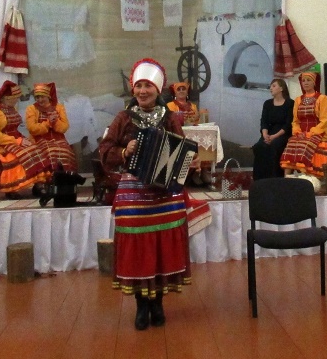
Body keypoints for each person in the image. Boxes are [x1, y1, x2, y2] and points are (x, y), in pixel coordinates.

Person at [99, 58, 201, 330]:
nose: (143, 91)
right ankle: (141, 305)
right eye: (139, 86)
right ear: (133, 89)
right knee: (138, 247)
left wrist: (186, 164)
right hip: (133, 192)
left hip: (164, 195)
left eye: (148, 86)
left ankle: (158, 303)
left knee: (161, 246)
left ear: (158, 90)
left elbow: (182, 151)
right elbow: (105, 151)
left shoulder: (170, 118)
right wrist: (125, 151)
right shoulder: (123, 118)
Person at [0, 80, 53, 198]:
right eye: (15, 98)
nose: (17, 100)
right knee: (22, 154)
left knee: (36, 150)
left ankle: (38, 185)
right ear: (7, 98)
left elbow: (15, 128)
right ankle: (11, 189)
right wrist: (17, 141)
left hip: (15, 139)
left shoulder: (11, 108)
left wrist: (23, 140)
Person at [279, 70, 327, 177]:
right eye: (303, 81)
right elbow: (295, 121)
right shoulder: (298, 100)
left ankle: (307, 177)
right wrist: (297, 132)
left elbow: (324, 120)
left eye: (308, 80)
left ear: (314, 82)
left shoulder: (322, 98)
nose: (306, 83)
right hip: (301, 133)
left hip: (318, 132)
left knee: (306, 145)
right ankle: (287, 178)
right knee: (291, 144)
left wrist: (312, 132)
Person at [25, 82, 78, 174]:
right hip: (39, 139)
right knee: (51, 153)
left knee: (66, 153)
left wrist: (56, 121)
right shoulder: (31, 109)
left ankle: (65, 178)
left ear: (48, 96)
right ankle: (49, 178)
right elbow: (32, 128)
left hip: (58, 139)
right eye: (37, 97)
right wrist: (48, 123)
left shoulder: (59, 107)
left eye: (42, 97)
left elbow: (65, 127)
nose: (40, 100)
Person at [252, 78, 294, 180]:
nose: (271, 88)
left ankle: (275, 178)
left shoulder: (290, 103)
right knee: (259, 146)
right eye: (270, 86)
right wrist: (265, 135)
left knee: (274, 146)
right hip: (269, 133)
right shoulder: (267, 103)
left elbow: (288, 124)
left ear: (281, 88)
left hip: (282, 134)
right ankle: (259, 180)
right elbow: (264, 121)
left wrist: (274, 137)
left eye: (274, 86)